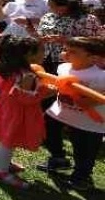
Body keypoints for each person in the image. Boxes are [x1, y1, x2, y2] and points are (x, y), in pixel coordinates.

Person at [0, 35, 51, 189]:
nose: (45, 54)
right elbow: (25, 98)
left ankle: (0, 160)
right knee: (9, 140)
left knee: (6, 138)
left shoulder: (9, 69)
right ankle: (0, 171)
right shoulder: (27, 75)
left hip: (5, 109)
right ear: (28, 54)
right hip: (17, 112)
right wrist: (47, 92)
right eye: (42, 51)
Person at [42, 37, 105, 191]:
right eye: (66, 50)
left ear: (92, 57)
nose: (67, 54)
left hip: (88, 121)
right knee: (46, 130)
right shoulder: (63, 68)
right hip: (60, 111)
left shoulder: (100, 76)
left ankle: (82, 176)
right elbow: (57, 85)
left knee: (84, 149)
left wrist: (91, 101)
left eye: (73, 52)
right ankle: (58, 158)